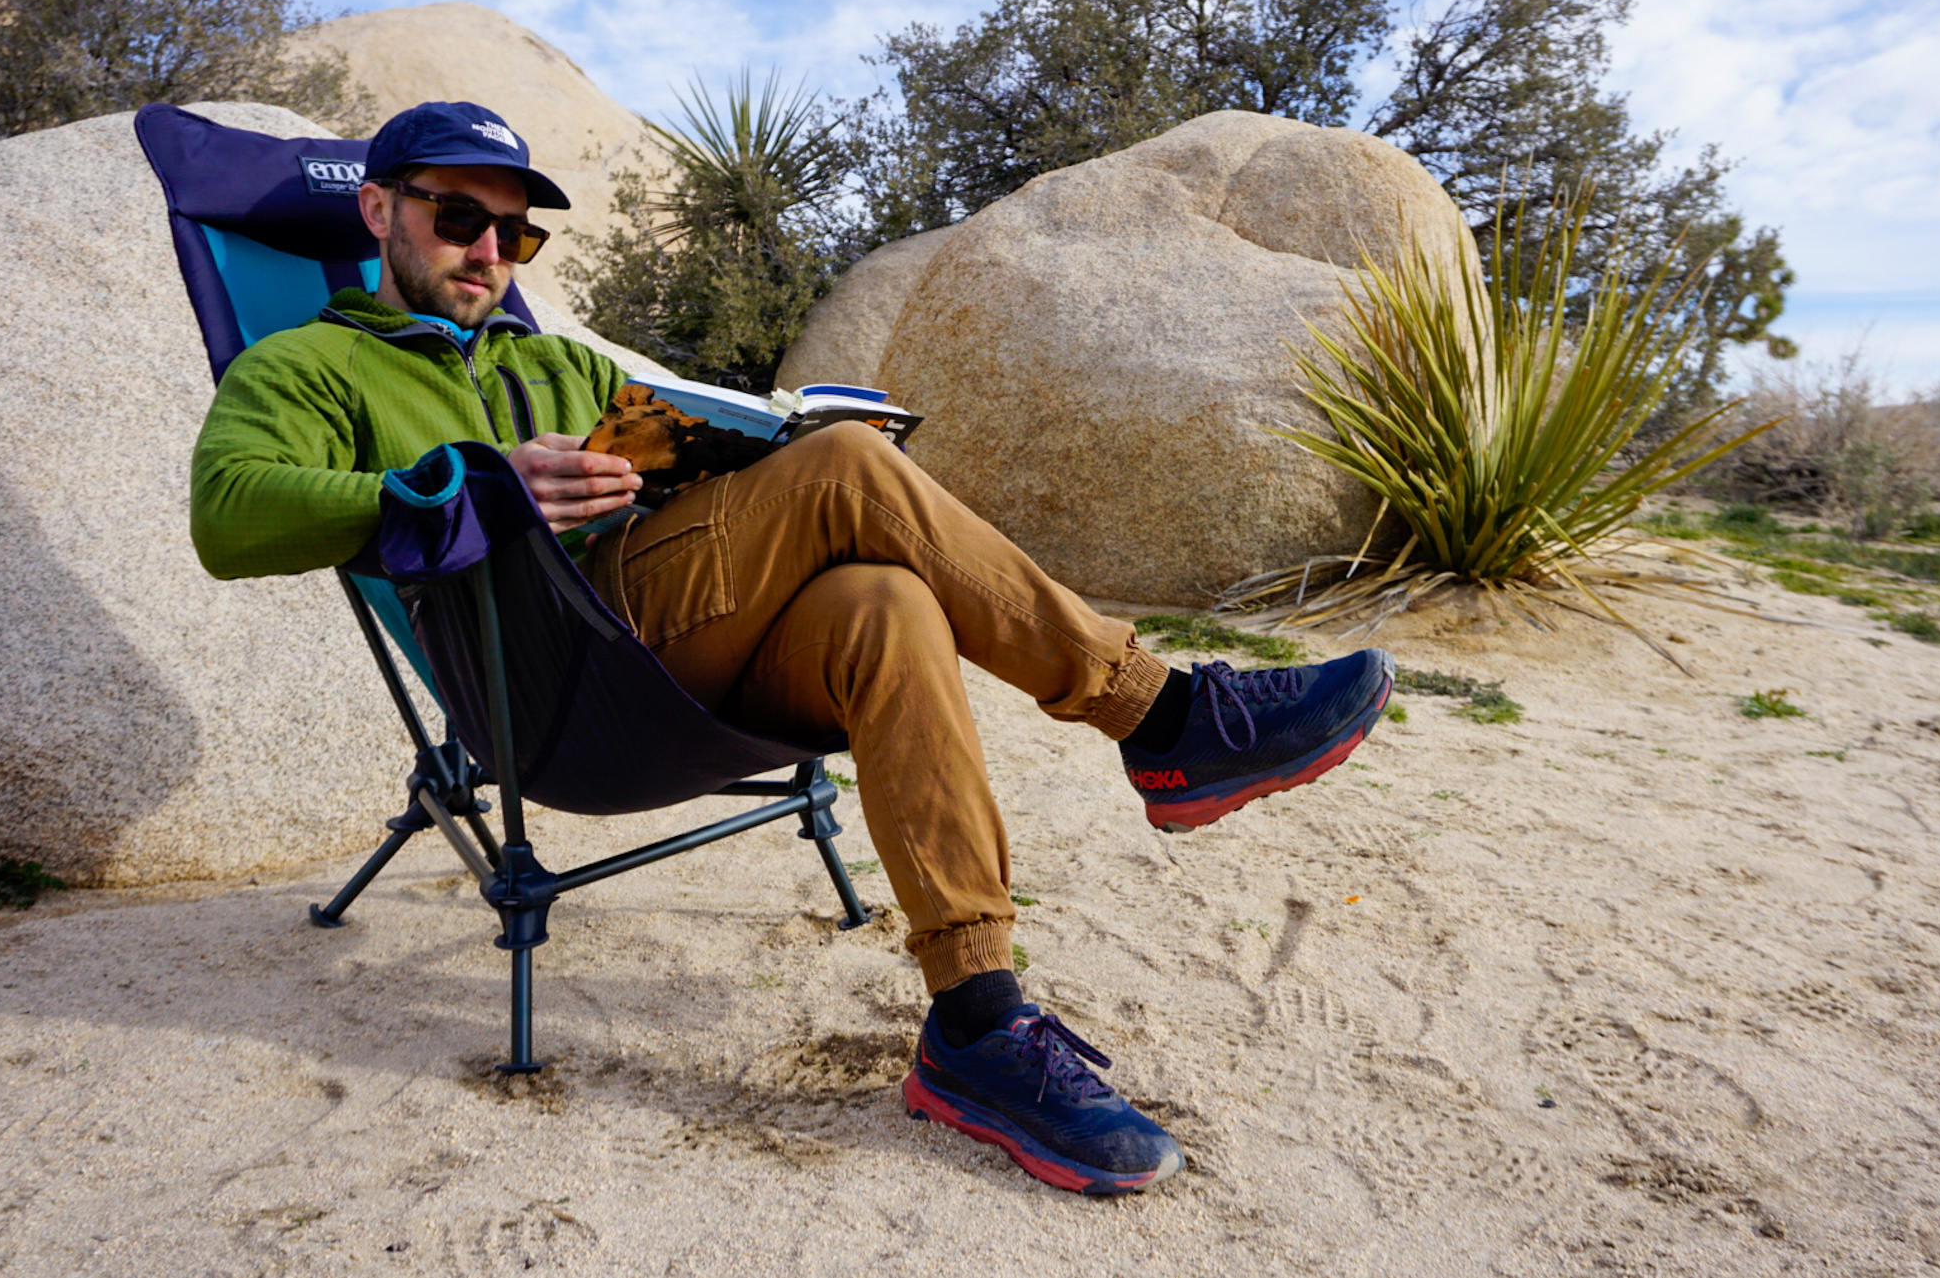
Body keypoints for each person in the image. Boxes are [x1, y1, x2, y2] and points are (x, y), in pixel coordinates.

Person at [190, 101, 1396, 1196]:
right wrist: (464, 479)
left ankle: (974, 1019)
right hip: (550, 692)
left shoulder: (552, 359)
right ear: (377, 212)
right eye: (460, 220)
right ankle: (1165, 719)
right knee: (853, 473)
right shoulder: (310, 364)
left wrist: (706, 455)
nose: (490, 255)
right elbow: (228, 515)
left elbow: (675, 470)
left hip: (672, 657)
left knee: (885, 600)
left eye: (515, 236)